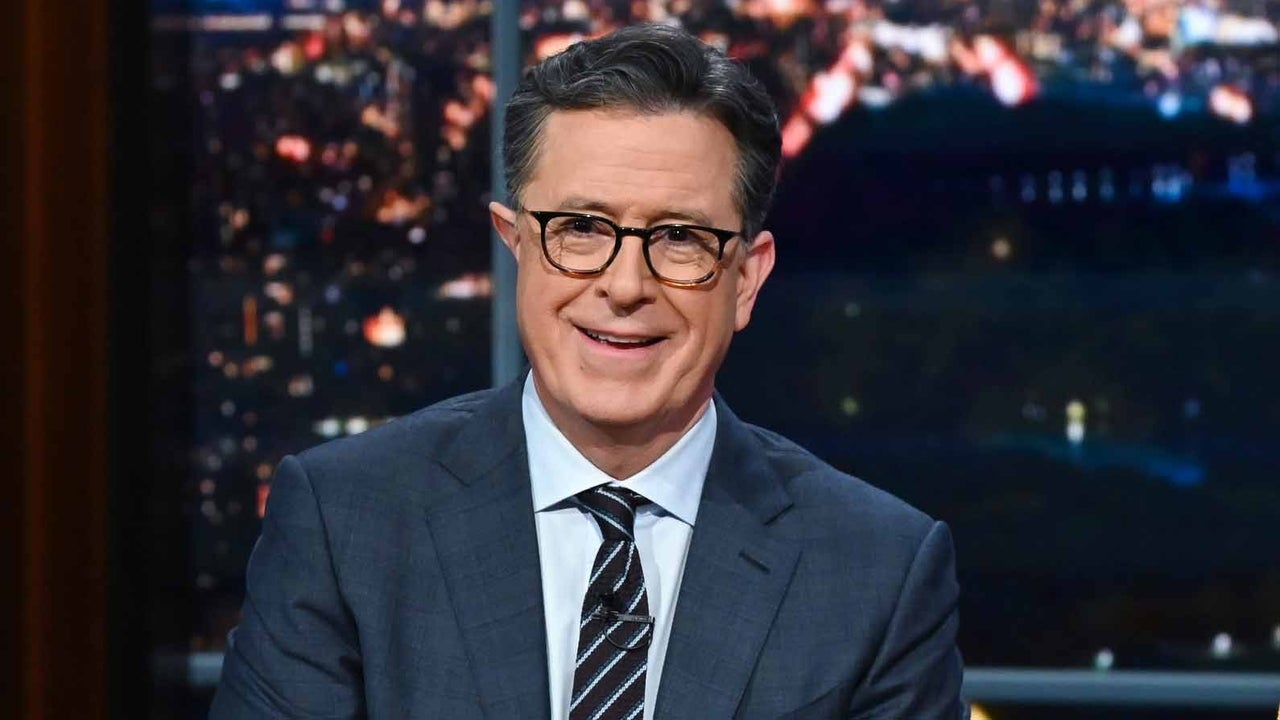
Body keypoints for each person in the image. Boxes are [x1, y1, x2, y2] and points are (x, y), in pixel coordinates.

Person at [211, 23, 966, 720]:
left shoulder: (878, 573)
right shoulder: (344, 524)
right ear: (515, 246)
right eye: (580, 228)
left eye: (680, 237)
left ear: (746, 279)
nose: (625, 285)